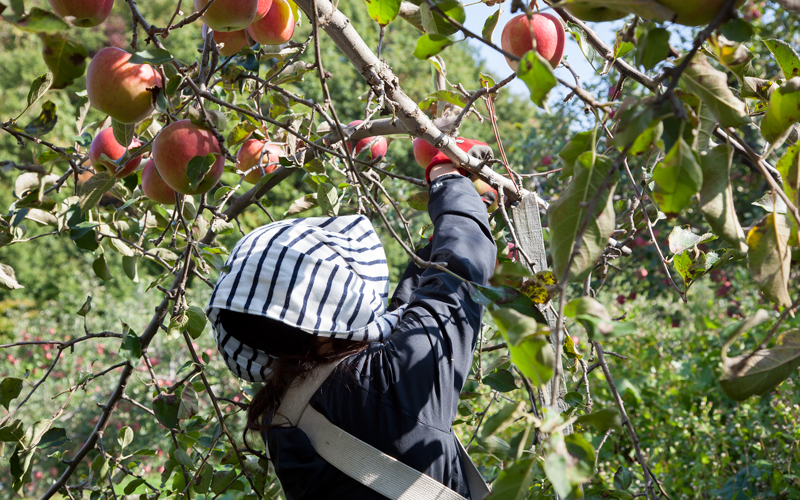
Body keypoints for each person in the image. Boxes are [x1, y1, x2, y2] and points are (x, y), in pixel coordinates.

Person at [206, 138, 497, 499]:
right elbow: (458, 275)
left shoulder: (284, 418)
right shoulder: (389, 377)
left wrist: (453, 221)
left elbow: (405, 320)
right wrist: (447, 178)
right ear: (342, 295)